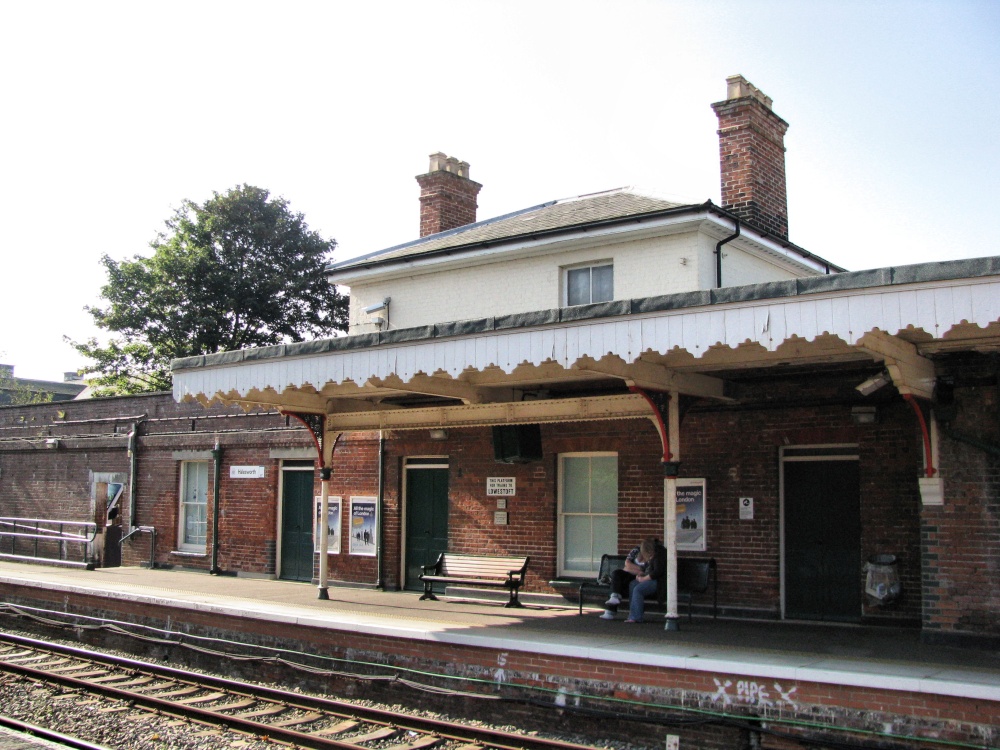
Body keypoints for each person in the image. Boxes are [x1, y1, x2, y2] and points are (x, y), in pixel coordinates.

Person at [601, 537, 665, 623]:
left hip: (658, 581)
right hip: (646, 577)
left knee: (638, 589)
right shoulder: (649, 555)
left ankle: (636, 617)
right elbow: (643, 568)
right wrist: (641, 575)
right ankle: (631, 613)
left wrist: (643, 578)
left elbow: (657, 572)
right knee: (631, 583)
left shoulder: (659, 555)